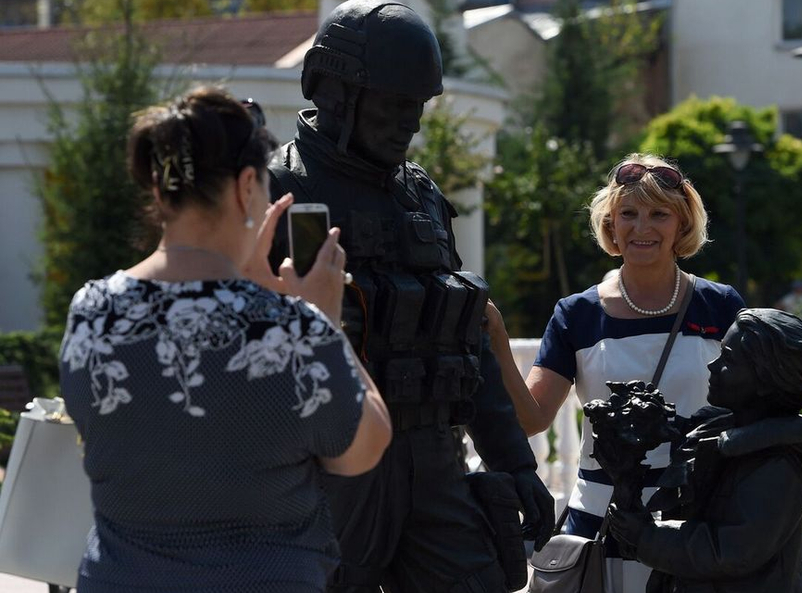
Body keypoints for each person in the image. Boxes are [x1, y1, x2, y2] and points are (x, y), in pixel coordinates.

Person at [266, 2, 554, 592]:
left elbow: (461, 334)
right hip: (332, 466)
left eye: (418, 107)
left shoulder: (419, 196)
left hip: (434, 461)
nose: (412, 124)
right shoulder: (282, 192)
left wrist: (515, 463)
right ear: (338, 93)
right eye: (397, 105)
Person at [58, 86, 391, 593]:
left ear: (160, 189)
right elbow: (362, 447)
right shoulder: (291, 328)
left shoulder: (92, 312)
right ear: (246, 187)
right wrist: (322, 317)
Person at [486, 153, 745, 591]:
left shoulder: (721, 306)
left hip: (698, 520)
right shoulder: (577, 314)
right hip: (601, 524)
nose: (641, 228)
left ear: (682, 225)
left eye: (658, 214)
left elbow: (759, 404)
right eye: (628, 213)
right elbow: (532, 418)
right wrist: (495, 339)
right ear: (610, 224)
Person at [607, 308, 802, 592]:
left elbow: (731, 552)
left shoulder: (776, 464)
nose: (712, 365)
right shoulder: (716, 434)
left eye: (728, 359)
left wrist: (647, 538)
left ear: (765, 381)